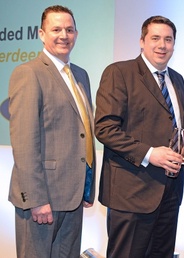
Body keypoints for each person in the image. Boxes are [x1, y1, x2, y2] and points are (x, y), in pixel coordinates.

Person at [95, 15, 184, 257]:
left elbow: (183, 124)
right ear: (142, 41)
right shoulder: (119, 72)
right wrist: (150, 154)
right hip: (131, 193)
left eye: (168, 39)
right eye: (155, 38)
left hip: (170, 193)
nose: (162, 45)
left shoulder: (178, 80)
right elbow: (105, 128)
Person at [8, 5, 95, 258]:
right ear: (41, 34)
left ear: (76, 34)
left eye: (69, 29)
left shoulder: (81, 76)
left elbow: (82, 133)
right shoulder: (28, 73)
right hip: (42, 198)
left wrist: (87, 186)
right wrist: (36, 199)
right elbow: (24, 143)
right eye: (56, 29)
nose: (64, 35)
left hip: (73, 195)